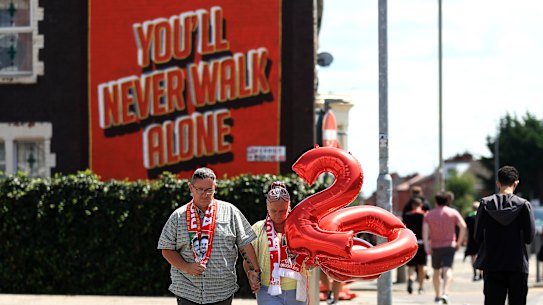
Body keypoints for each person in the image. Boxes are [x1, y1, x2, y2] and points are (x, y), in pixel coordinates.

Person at [158, 167, 261, 305]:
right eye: (199, 189)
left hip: (221, 291)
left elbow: (245, 244)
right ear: (191, 188)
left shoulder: (230, 212)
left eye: (209, 190)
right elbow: (166, 248)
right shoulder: (178, 216)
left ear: (215, 188)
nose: (204, 194)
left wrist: (254, 272)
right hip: (187, 291)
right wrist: (186, 267)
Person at [474, 165, 535, 305]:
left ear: (498, 183)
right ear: (516, 183)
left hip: (492, 264)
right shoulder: (524, 205)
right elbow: (529, 237)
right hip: (517, 264)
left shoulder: (484, 203)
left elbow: (477, 236)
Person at [244, 181, 311, 305]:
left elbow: (311, 255)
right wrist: (250, 274)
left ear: (289, 206)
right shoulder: (258, 228)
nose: (278, 215)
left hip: (296, 290)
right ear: (267, 206)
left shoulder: (300, 228)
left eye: (282, 211)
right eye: (273, 211)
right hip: (267, 290)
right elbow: (248, 258)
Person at [423, 192, 467, 304]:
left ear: (436, 201)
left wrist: (426, 245)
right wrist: (458, 242)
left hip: (435, 246)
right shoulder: (453, 213)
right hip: (449, 245)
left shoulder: (429, 215)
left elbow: (425, 231)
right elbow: (463, 226)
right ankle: (445, 293)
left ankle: (437, 295)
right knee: (448, 269)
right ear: (447, 200)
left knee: (436, 271)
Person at [403, 197, 428, 295]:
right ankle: (421, 287)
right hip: (422, 243)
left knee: (411, 266)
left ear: (412, 205)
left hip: (411, 244)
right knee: (422, 266)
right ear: (421, 205)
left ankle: (410, 278)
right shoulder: (425, 215)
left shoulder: (407, 215)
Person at [463, 201, 481, 281]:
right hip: (481, 239)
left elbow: (466, 230)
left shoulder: (468, 217)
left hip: (471, 239)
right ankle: (481, 273)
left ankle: (475, 273)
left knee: (473, 256)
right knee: (481, 255)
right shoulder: (481, 216)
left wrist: (465, 239)